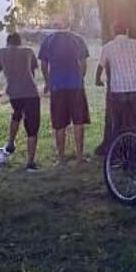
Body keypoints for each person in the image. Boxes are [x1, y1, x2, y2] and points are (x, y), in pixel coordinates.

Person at [39, 14, 90, 163]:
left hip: (57, 86)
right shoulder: (78, 39)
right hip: (76, 86)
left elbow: (43, 64)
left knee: (59, 123)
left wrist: (48, 82)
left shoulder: (48, 40)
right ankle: (80, 156)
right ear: (69, 25)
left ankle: (61, 157)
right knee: (78, 121)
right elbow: (84, 63)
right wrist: (80, 78)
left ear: (56, 25)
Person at [0, 32, 42, 171]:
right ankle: (30, 162)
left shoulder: (0, 53)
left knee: (17, 114)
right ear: (20, 42)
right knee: (32, 128)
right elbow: (32, 73)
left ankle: (11, 142)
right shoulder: (28, 51)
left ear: (7, 42)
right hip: (30, 93)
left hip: (13, 93)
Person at [96, 21, 136, 147]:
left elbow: (100, 66)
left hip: (118, 89)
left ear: (113, 31)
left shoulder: (108, 47)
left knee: (117, 123)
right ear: (127, 30)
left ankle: (115, 150)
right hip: (135, 87)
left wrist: (98, 80)